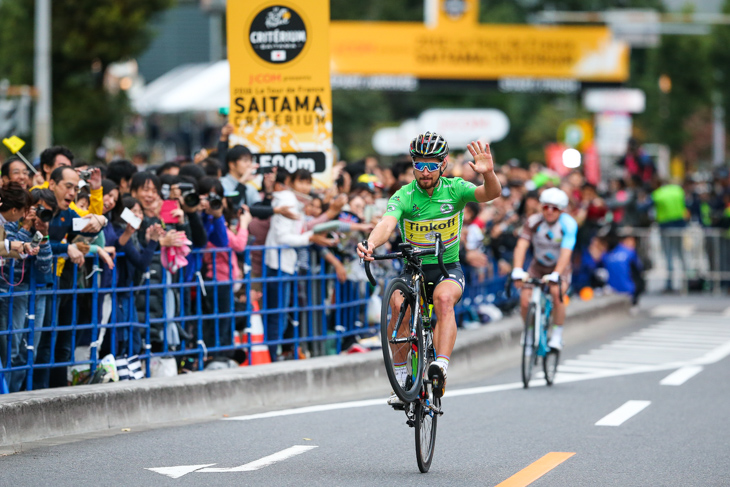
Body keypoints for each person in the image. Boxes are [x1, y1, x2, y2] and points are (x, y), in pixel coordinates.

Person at [357, 131, 502, 404]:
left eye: (432, 165)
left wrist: (488, 174)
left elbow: (490, 194)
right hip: (413, 269)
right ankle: (401, 380)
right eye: (419, 164)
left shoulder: (456, 189)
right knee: (398, 306)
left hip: (447, 267)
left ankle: (440, 367)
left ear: (443, 164)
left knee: (443, 300)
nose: (425, 171)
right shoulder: (404, 195)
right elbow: (387, 224)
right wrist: (371, 244)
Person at [511, 188, 577, 353]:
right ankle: (529, 330)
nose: (549, 211)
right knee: (525, 300)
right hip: (537, 266)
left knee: (557, 292)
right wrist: (517, 269)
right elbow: (521, 246)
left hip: (559, 267)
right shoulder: (533, 221)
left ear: (561, 210)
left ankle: (557, 335)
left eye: (554, 208)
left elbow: (566, 252)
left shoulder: (568, 224)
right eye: (545, 207)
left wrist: (556, 274)